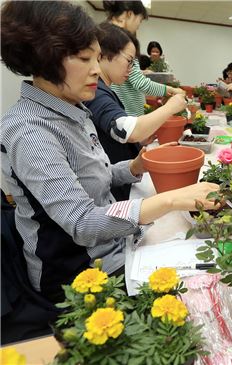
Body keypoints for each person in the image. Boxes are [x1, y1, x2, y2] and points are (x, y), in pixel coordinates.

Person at [0, 1, 218, 303]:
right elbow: (83, 222)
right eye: (84, 58)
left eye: (97, 57)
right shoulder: (31, 131)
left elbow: (92, 177)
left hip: (112, 247)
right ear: (45, 59)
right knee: (197, 289)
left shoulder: (71, 108)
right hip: (78, 276)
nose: (95, 69)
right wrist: (169, 199)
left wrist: (133, 167)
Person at [83, 23, 187, 200]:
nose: (131, 69)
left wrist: (138, 142)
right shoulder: (96, 93)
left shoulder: (105, 90)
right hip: (110, 192)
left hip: (116, 177)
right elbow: (127, 130)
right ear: (103, 55)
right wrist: (171, 106)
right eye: (129, 61)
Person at [103, 1, 184, 117]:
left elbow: (128, 74)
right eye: (139, 21)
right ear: (129, 14)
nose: (138, 26)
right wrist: (171, 90)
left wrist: (140, 72)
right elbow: (139, 83)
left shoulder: (105, 33)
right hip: (127, 112)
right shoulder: (121, 40)